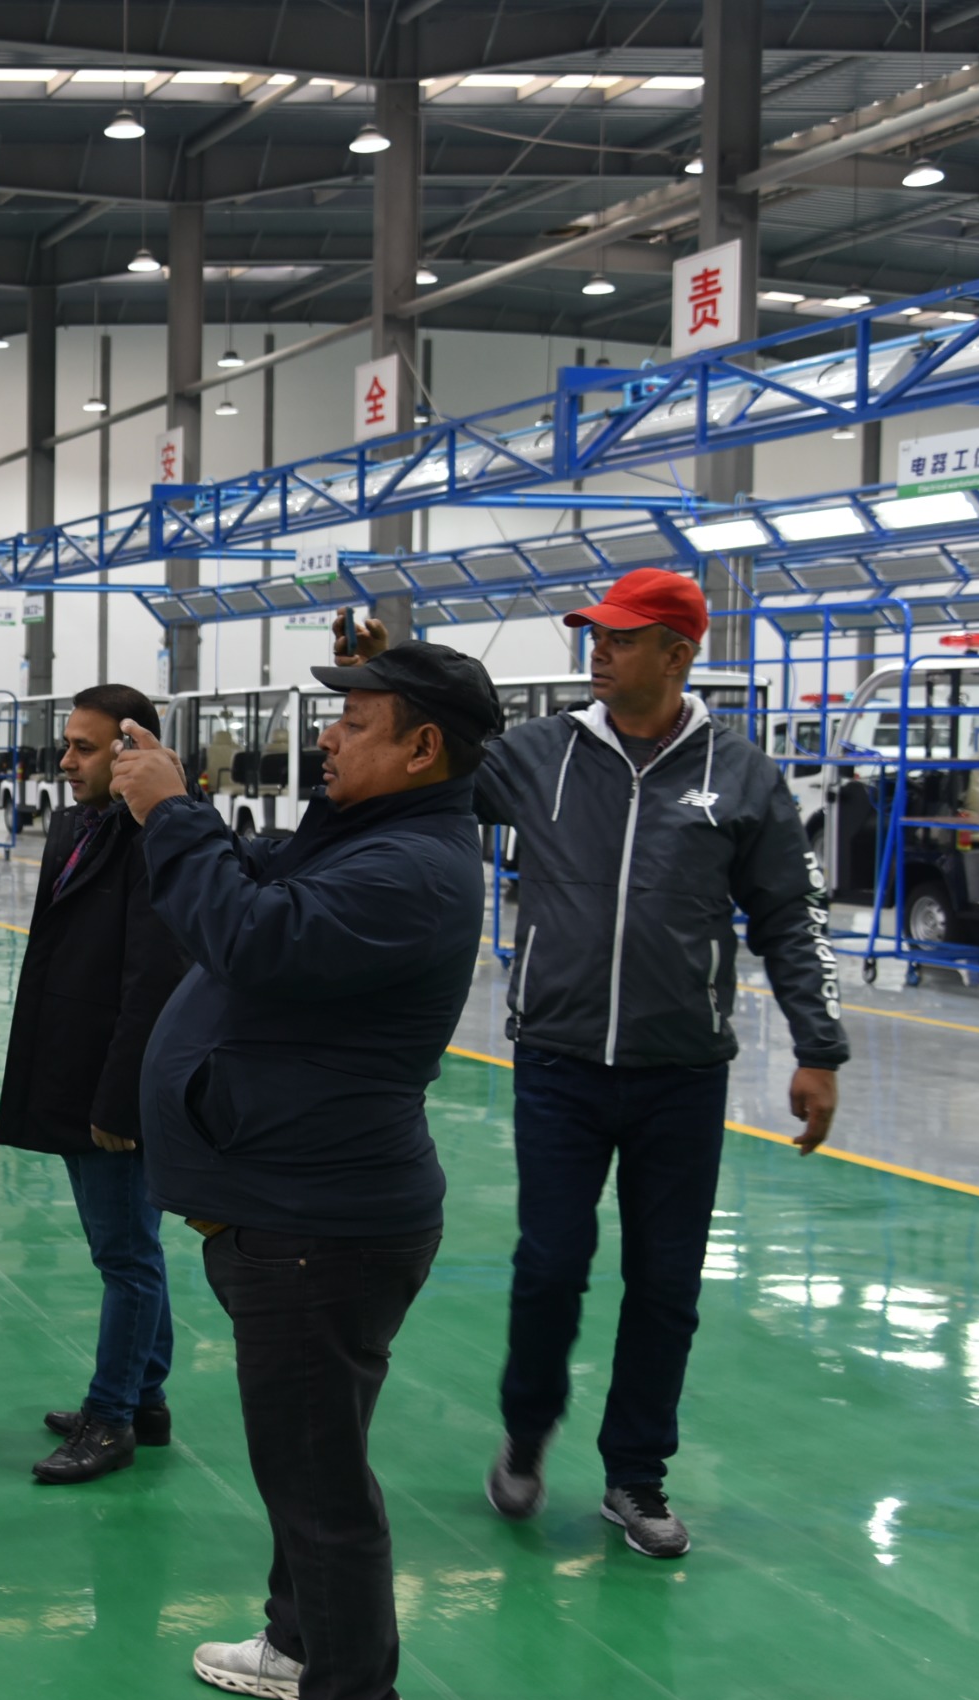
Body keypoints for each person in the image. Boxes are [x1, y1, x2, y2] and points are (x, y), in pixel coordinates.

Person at [342, 570, 847, 1560]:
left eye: (621, 636)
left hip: (682, 1072)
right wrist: (384, 676)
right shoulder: (539, 755)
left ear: (677, 653)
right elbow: (427, 759)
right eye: (595, 634)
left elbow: (790, 914)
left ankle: (635, 1476)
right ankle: (526, 1431)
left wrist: (817, 1047)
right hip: (560, 1062)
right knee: (549, 1265)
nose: (598, 650)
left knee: (666, 1284)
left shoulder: (741, 775)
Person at [111, 642, 505, 1700]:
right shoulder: (369, 836)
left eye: (355, 723)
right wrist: (177, 815)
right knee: (306, 1460)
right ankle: (296, 1646)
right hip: (297, 1212)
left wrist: (172, 814)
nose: (325, 737)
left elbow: (250, 935)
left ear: (423, 748)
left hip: (318, 1228)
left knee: (320, 1485)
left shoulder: (411, 870)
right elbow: (258, 878)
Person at [0, 684, 189, 1485]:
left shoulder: (153, 840)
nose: (66, 762)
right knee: (129, 1248)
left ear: (131, 750)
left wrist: (120, 1099)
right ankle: (145, 1398)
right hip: (73, 1063)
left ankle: (111, 1420)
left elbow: (154, 979)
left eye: (84, 748)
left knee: (125, 1256)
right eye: (66, 746)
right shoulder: (80, 825)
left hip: (115, 1080)